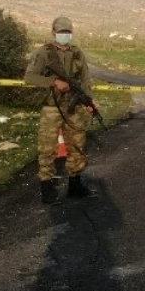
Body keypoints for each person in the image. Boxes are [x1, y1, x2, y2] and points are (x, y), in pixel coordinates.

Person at [24, 16, 99, 203]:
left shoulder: (77, 53)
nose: (64, 35)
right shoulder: (44, 53)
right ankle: (47, 188)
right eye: (61, 32)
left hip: (74, 106)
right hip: (52, 107)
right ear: (53, 32)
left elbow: (85, 80)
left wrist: (89, 102)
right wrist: (53, 82)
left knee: (77, 145)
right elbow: (30, 77)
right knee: (47, 148)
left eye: (67, 32)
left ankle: (75, 185)